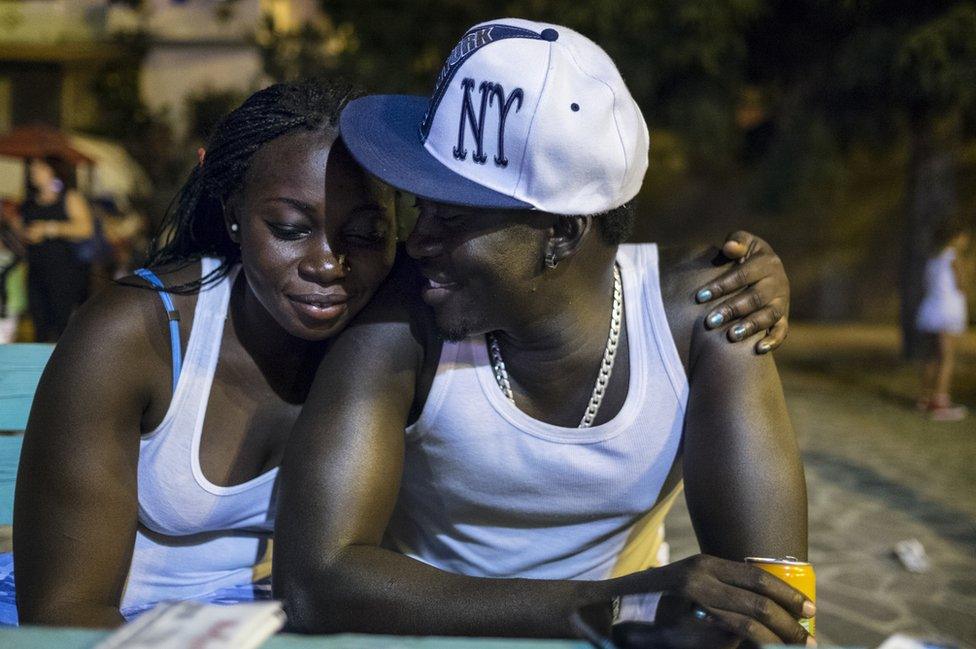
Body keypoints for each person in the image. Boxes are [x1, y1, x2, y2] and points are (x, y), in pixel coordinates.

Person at [9, 76, 788, 629]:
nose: (328, 263)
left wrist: (750, 272)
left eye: (365, 232)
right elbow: (64, 613)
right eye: (289, 227)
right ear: (234, 215)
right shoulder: (139, 333)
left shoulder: (404, 312)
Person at [274, 19, 811, 647]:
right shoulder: (405, 319)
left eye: (453, 216)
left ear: (561, 233)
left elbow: (774, 593)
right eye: (420, 207)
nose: (417, 240)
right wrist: (605, 606)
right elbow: (315, 579)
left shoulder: (706, 316)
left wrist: (642, 615)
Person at [17, 156, 95, 342]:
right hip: (35, 270)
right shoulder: (29, 201)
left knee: (61, 324)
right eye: (32, 169)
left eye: (39, 168)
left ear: (53, 171)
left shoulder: (69, 197)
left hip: (63, 271)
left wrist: (48, 229)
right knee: (39, 325)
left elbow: (86, 228)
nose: (33, 173)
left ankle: (60, 368)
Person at [916, 221, 971, 421]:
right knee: (947, 357)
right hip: (946, 311)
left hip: (930, 309)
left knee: (931, 356)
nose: (966, 240)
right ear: (955, 237)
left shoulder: (932, 258)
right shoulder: (953, 257)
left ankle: (924, 398)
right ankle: (940, 403)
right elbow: (961, 284)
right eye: (964, 236)